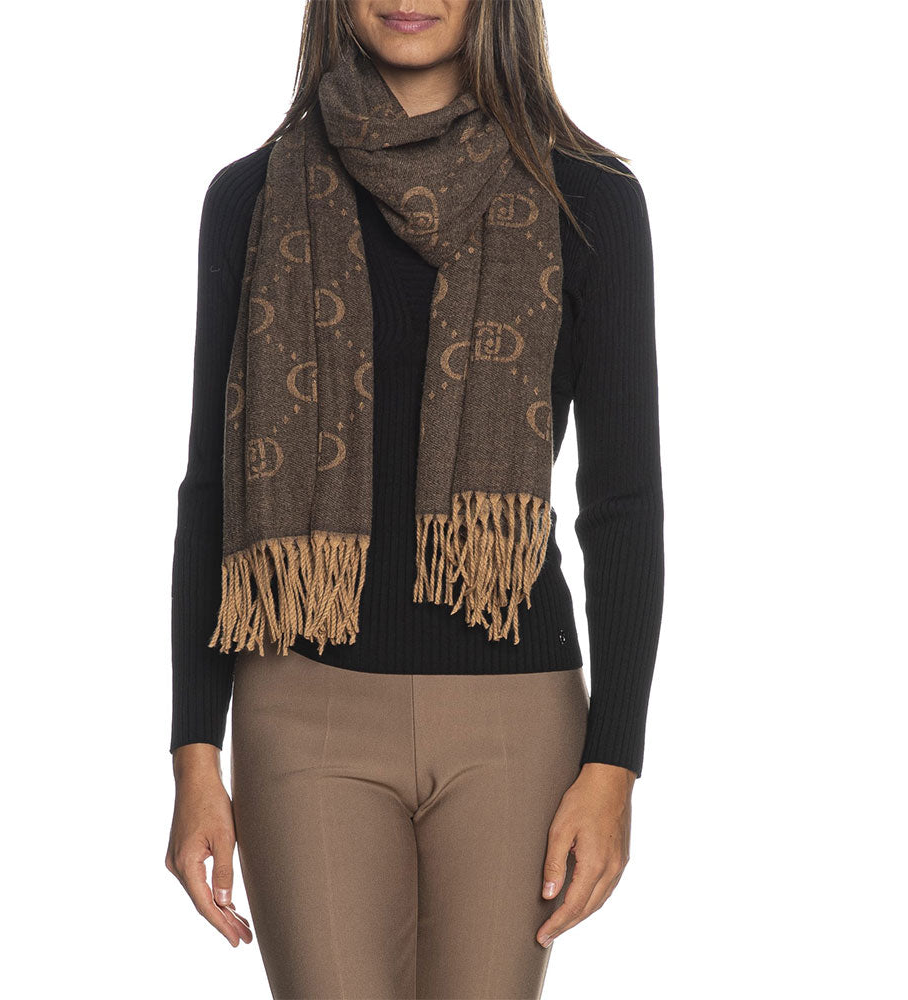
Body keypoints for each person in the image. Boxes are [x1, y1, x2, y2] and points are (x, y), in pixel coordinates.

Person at [165, 1, 664, 997]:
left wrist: (614, 766)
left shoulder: (589, 197)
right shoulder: (251, 197)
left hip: (516, 719)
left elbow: (622, 499)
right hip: (302, 709)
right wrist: (194, 756)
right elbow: (212, 489)